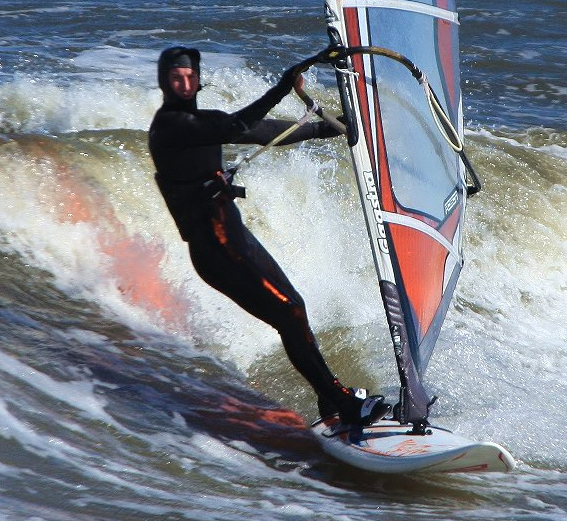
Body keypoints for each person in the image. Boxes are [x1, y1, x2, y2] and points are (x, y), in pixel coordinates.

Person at [148, 46, 388, 427]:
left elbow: (262, 132)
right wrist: (282, 87)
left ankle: (331, 398)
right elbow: (238, 126)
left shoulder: (203, 122)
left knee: (295, 308)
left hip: (234, 238)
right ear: (164, 81)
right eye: (176, 77)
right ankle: (343, 403)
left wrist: (326, 128)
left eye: (190, 76)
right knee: (289, 313)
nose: (184, 83)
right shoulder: (171, 127)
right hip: (215, 250)